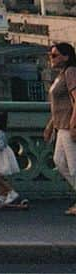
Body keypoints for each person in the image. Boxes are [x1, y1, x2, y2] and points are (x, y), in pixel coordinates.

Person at [44, 40, 76, 214]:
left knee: (73, 165)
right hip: (60, 125)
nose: (51, 58)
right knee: (59, 161)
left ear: (66, 56)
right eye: (50, 54)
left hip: (68, 125)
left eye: (55, 55)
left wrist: (73, 123)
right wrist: (50, 125)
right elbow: (58, 104)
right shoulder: (61, 74)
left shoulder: (71, 72)